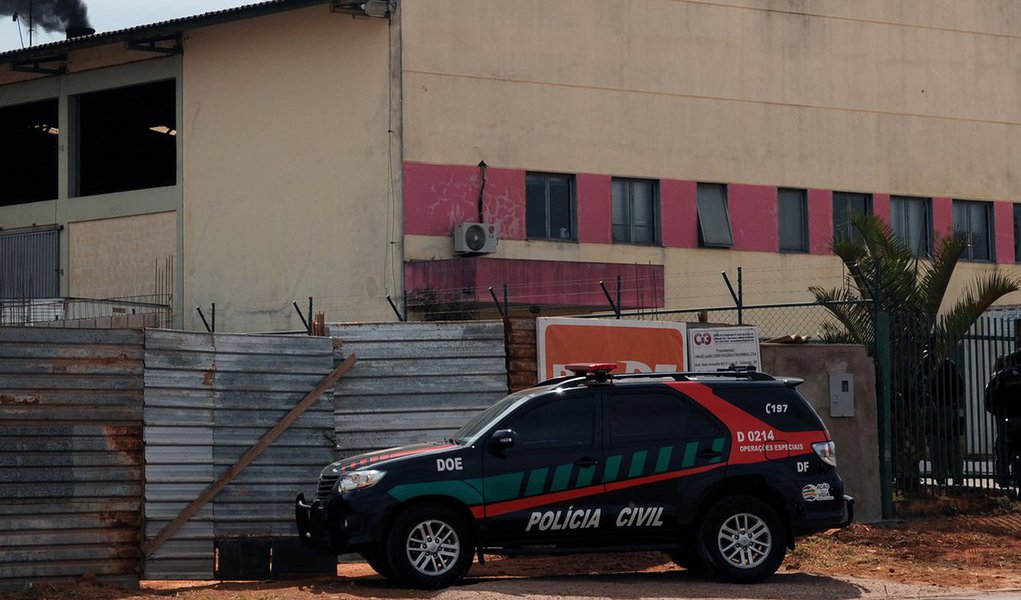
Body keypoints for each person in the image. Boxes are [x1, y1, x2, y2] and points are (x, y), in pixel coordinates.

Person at [986, 349, 1021, 490]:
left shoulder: (999, 378)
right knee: (1018, 449)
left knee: (1003, 447)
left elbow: (989, 401)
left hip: (1004, 417)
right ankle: (1017, 479)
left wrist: (998, 413)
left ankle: (1003, 479)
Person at [927, 357, 965, 485]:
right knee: (953, 446)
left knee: (937, 447)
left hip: (935, 412)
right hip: (951, 411)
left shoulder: (934, 375)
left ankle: (940, 476)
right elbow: (961, 390)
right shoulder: (954, 374)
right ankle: (957, 476)